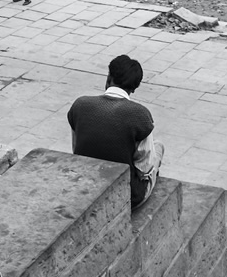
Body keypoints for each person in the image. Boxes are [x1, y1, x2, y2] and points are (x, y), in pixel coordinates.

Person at [68, 55, 165, 209]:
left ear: (108, 78)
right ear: (134, 88)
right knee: (158, 147)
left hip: (84, 185)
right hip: (127, 196)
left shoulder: (80, 105)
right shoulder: (140, 115)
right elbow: (144, 170)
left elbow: (77, 150)